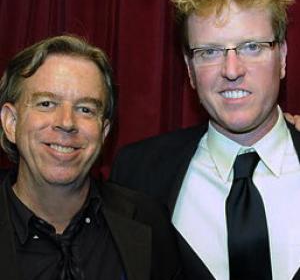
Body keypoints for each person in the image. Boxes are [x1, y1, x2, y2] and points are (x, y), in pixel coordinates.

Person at [110, 0, 300, 279]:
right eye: (210, 52)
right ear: (189, 68)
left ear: (283, 58)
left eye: (252, 47)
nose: (232, 70)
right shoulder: (137, 174)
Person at [0, 35, 183, 280]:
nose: (66, 123)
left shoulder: (148, 222)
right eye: (46, 103)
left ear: (104, 132)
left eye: (85, 109)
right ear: (11, 123)